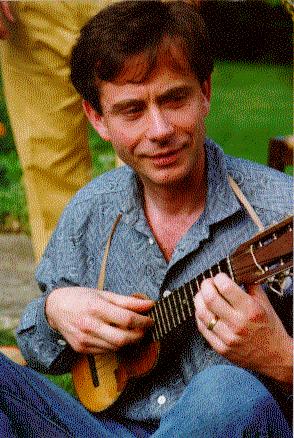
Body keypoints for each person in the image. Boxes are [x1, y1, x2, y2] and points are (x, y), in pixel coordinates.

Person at [0, 1, 292, 436]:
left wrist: (280, 358)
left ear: (206, 92)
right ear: (97, 118)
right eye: (132, 110)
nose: (159, 130)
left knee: (226, 393)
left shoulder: (278, 209)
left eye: (174, 99)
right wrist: (55, 312)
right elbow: (41, 352)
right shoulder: (92, 211)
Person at [0, 0, 120, 262]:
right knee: (48, 165)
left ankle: (166, 289)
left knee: (154, 147)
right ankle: (66, 292)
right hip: (34, 12)